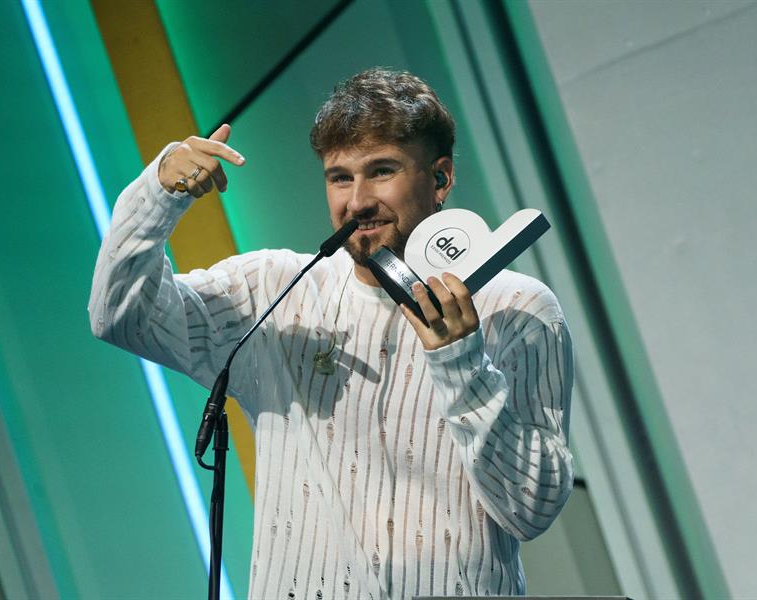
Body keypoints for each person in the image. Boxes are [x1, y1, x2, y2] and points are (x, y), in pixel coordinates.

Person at [89, 68, 573, 599]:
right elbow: (120, 315)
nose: (357, 201)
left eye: (381, 171)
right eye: (339, 177)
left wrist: (461, 363)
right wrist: (157, 197)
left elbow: (531, 509)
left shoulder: (518, 308)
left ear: (441, 179)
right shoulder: (271, 290)